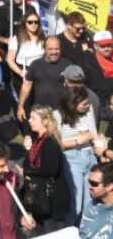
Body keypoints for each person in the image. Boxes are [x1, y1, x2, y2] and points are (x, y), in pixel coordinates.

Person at [57, 86, 101, 224]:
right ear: (72, 103)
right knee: (75, 203)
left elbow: (93, 131)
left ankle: (87, 231)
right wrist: (77, 141)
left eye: (88, 103)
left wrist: (98, 141)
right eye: (84, 104)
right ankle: (70, 230)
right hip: (72, 159)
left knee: (91, 201)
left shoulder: (89, 110)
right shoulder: (58, 115)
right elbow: (57, 143)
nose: (88, 106)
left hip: (90, 155)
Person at [21, 105, 69, 230]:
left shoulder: (50, 142)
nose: (29, 120)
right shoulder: (38, 140)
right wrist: (27, 151)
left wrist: (27, 171)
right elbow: (30, 163)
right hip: (41, 199)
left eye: (33, 118)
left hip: (52, 201)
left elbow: (51, 168)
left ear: (45, 121)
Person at [18, 36, 73, 124]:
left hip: (61, 111)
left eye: (57, 49)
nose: (54, 52)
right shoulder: (35, 64)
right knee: (41, 136)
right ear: (44, 49)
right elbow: (26, 85)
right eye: (50, 49)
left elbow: (74, 88)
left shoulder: (68, 65)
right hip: (40, 111)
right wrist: (20, 106)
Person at [81, 162, 113, 239]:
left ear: (109, 186)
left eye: (94, 183)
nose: (89, 186)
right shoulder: (89, 206)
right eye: (89, 181)